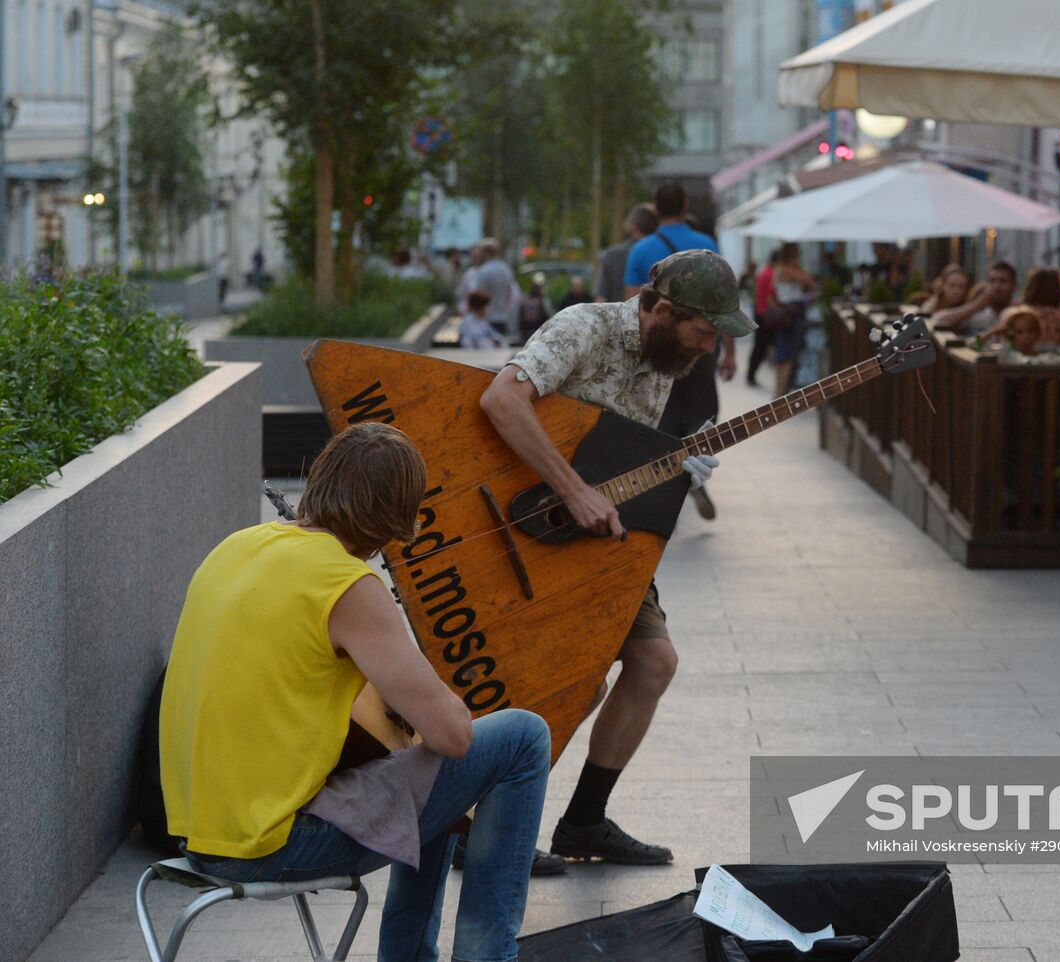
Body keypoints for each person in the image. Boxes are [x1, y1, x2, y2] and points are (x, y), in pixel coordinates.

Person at [160, 422, 550, 961]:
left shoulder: (238, 545)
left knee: (430, 773)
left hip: (195, 834)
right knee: (521, 737)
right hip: (269, 845)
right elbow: (453, 734)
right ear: (399, 517)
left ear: (320, 478)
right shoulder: (346, 585)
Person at [479, 249, 755, 867]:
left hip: (593, 539)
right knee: (571, 682)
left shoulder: (665, 356)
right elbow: (502, 401)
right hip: (523, 526)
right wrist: (573, 491)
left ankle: (582, 823)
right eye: (703, 332)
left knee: (654, 662)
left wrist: (674, 461)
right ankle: (476, 827)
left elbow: (611, 452)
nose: (707, 349)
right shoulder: (583, 327)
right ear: (660, 309)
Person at [624, 182, 735, 520]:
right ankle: (692, 465)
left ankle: (673, 473)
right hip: (700, 344)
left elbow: (632, 302)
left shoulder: (642, 249)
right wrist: (729, 351)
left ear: (656, 209)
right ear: (686, 205)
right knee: (703, 409)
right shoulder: (706, 245)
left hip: (661, 347)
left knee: (664, 411)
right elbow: (724, 305)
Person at [769, 243, 818, 397]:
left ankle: (780, 389)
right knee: (787, 352)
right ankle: (781, 391)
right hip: (791, 312)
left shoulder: (778, 269)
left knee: (785, 351)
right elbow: (809, 281)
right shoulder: (787, 269)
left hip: (787, 311)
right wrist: (798, 268)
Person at [594, 204, 658, 304]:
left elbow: (601, 297)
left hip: (617, 316)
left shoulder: (613, 254)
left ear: (632, 226)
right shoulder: (662, 252)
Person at [934, 261, 1017, 335]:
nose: (996, 286)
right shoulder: (977, 314)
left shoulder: (1019, 313)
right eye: (992, 281)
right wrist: (976, 306)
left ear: (1014, 286)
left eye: (1003, 281)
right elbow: (937, 320)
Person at [473, 239, 523, 343]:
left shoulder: (484, 271)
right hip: (503, 317)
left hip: (487, 318)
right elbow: (512, 294)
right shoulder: (506, 269)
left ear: (485, 253)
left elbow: (478, 295)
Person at [747, 249, 781, 387]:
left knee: (760, 347)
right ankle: (751, 375)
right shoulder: (772, 274)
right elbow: (771, 297)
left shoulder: (764, 271)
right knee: (761, 347)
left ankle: (751, 375)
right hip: (766, 315)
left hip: (760, 312)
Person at [518, 273, 552, 342]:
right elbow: (548, 316)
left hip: (525, 330)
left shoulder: (525, 299)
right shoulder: (543, 301)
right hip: (538, 330)